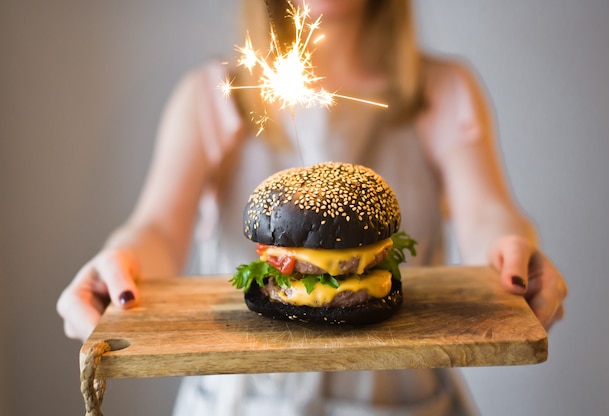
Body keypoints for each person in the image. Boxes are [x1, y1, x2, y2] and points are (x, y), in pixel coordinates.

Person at [57, 0, 568, 414]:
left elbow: (486, 215)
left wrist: (511, 251)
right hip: (239, 401)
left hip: (401, 397)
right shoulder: (212, 96)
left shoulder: (442, 90)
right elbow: (158, 230)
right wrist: (118, 262)